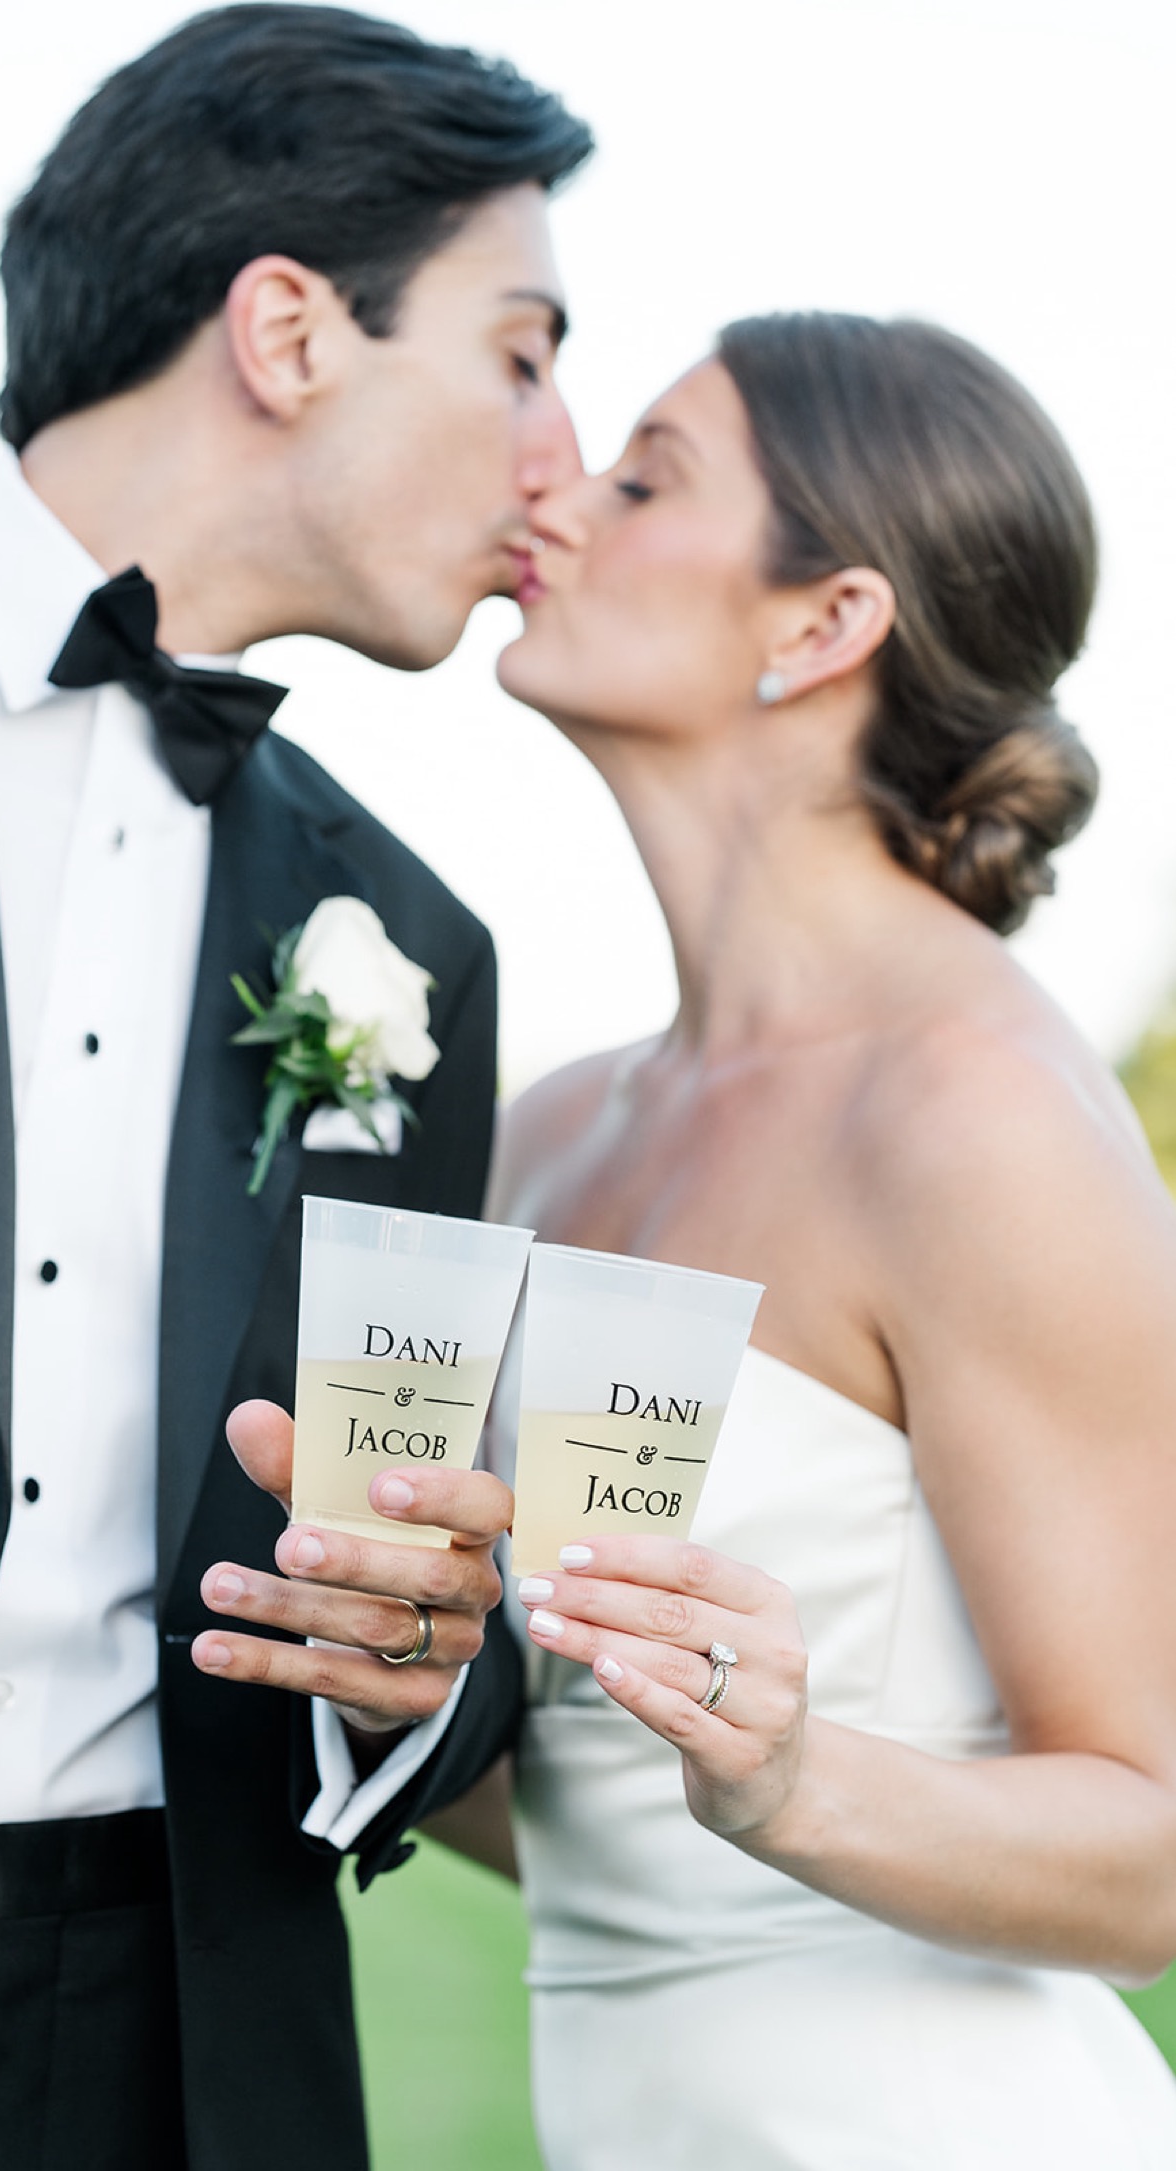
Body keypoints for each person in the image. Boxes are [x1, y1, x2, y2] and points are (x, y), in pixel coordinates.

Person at [0, 11, 591, 2170]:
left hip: (181, 2062)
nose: (558, 453)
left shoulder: (416, 952)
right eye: (523, 351)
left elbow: (398, 1583)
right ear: (288, 329)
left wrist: (420, 1663)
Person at [476, 314, 1176, 2166]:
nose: (555, 492)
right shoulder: (553, 1134)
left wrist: (790, 1780)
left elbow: (1163, 1848)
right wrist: (383, 1680)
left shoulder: (974, 1113)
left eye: (646, 474)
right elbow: (574, 1794)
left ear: (822, 625)